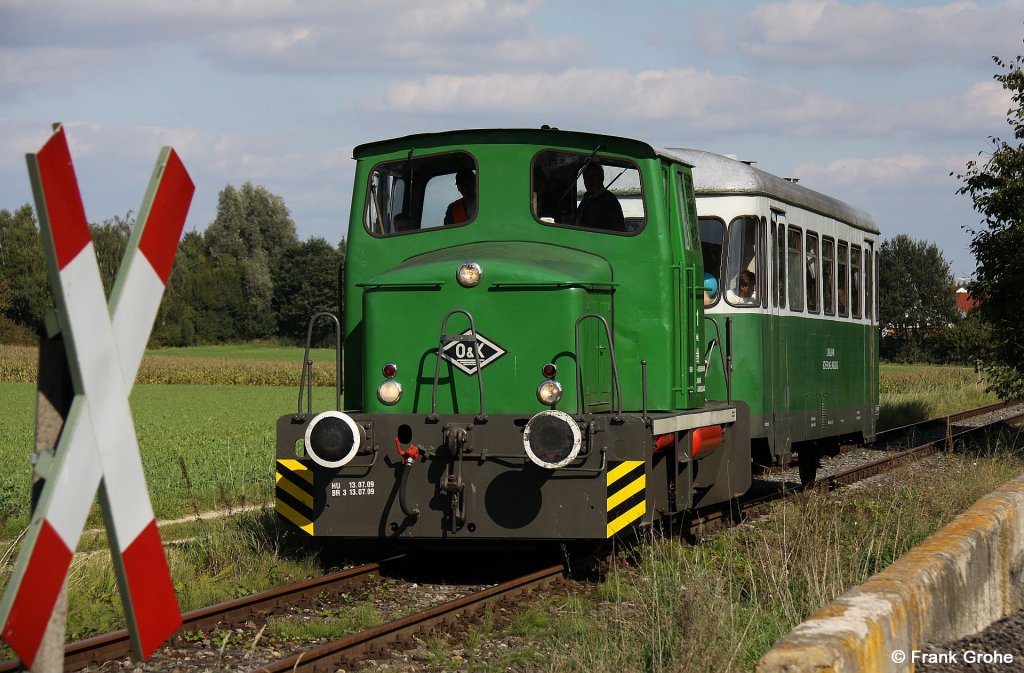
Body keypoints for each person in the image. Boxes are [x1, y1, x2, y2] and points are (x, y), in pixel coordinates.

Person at [575, 162, 625, 231]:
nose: (589, 181)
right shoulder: (586, 198)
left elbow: (617, 229)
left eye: (593, 176)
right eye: (586, 177)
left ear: (602, 177)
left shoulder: (609, 200)